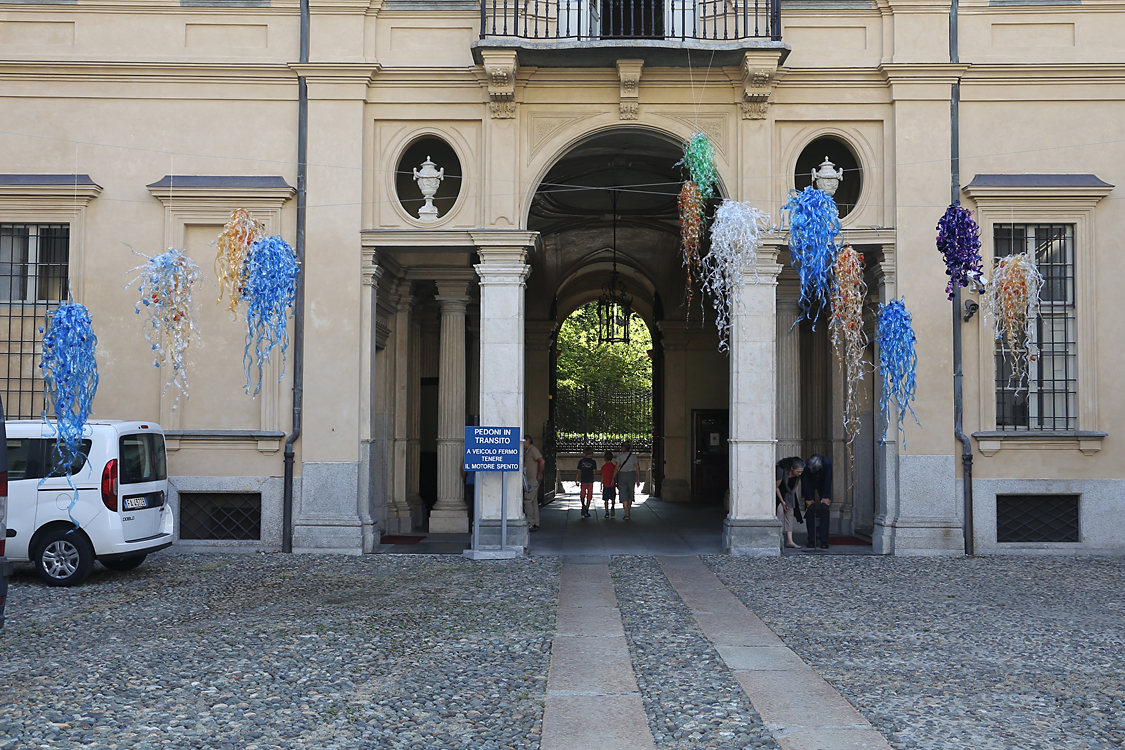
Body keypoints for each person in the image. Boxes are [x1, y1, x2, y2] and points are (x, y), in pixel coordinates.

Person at [802, 453, 833, 549]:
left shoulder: (827, 464)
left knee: (825, 509)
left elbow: (828, 480)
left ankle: (824, 540)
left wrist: (825, 497)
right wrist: (809, 498)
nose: (811, 471)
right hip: (810, 484)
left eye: (813, 470)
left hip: (822, 484)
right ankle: (812, 540)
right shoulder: (805, 465)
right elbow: (805, 481)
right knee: (810, 509)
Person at [775, 456, 804, 549]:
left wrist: (789, 501)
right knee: (779, 514)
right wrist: (782, 502)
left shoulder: (798, 476)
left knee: (790, 516)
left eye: (801, 472)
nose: (799, 474)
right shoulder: (781, 471)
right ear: (792, 469)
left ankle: (790, 540)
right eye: (798, 471)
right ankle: (778, 539)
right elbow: (776, 487)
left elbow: (794, 489)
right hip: (779, 495)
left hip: (789, 495)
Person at [612, 442, 642, 521]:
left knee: (623, 492)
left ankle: (626, 512)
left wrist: (613, 477)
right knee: (630, 492)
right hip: (631, 475)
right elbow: (638, 468)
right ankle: (629, 510)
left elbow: (616, 468)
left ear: (624, 448)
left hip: (622, 475)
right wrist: (638, 479)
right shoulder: (633, 457)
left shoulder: (620, 457)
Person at [523, 436, 544, 532]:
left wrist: (539, 474)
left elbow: (542, 461)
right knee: (533, 502)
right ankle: (536, 522)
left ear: (527, 441)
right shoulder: (528, 451)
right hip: (530, 479)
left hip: (532, 480)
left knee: (527, 501)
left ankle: (531, 523)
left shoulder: (533, 450)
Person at [575, 447, 598, 518]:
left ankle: (583, 504)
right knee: (589, 494)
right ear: (591, 453)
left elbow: (578, 471)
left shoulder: (581, 461)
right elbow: (594, 472)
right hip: (590, 480)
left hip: (583, 480)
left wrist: (576, 480)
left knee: (582, 493)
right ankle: (587, 509)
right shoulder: (593, 462)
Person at [600, 451, 617, 518]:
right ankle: (612, 506)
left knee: (606, 499)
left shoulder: (603, 467)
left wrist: (601, 484)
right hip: (612, 485)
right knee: (613, 497)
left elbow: (602, 476)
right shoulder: (614, 467)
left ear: (605, 458)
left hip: (606, 485)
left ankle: (607, 512)